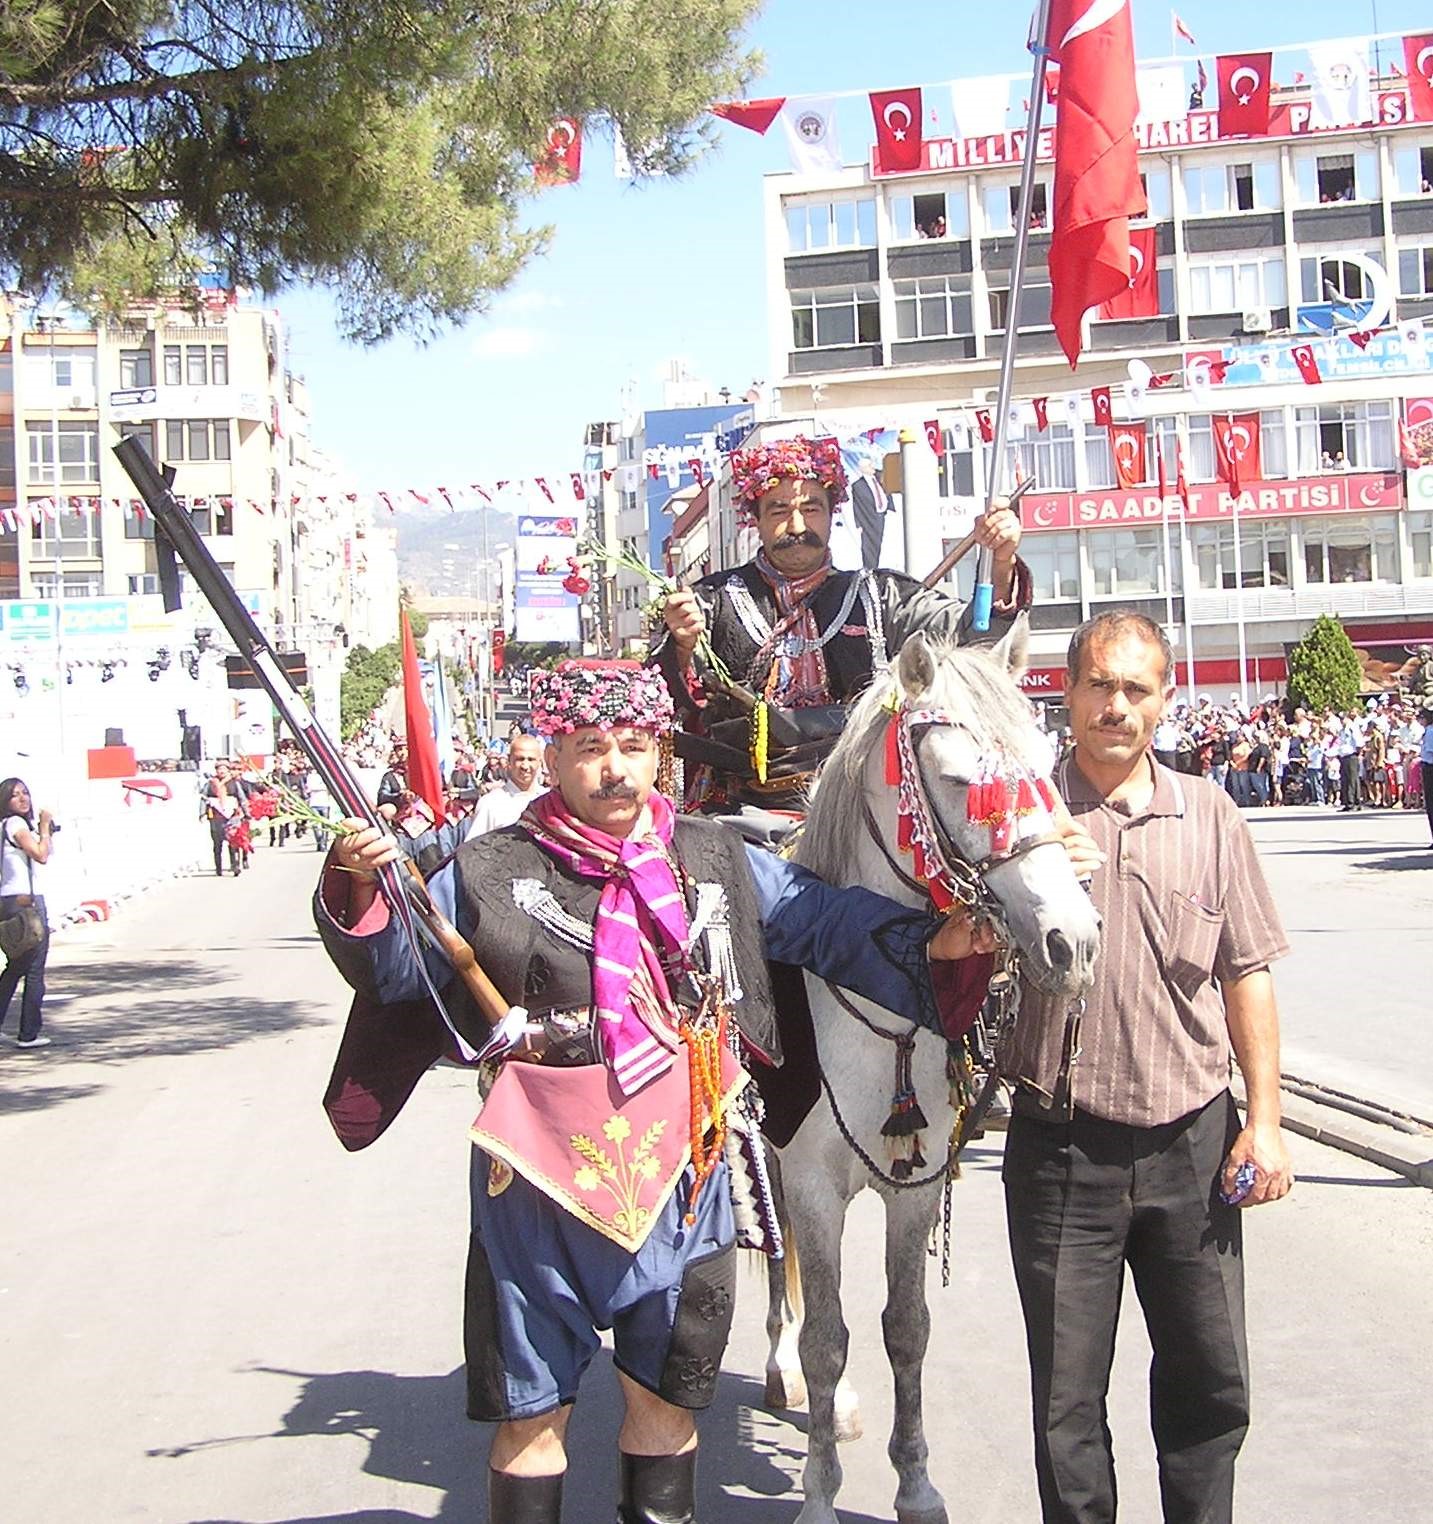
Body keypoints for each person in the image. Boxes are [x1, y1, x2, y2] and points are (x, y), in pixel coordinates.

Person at [315, 660, 993, 1524]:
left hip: (687, 1169)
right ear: (552, 757)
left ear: (658, 756)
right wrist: (358, 884)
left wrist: (938, 944)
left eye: (634, 747)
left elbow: (825, 922)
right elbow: (393, 969)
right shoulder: (483, 868)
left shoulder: (716, 858)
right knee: (532, 1414)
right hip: (536, 1175)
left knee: (668, 1402)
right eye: (590, 747)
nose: (615, 768)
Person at [999, 611, 1293, 1524]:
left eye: (1135, 689)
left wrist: (1266, 1119)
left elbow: (1244, 971)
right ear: (1069, 691)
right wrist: (1030, 881)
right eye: (1098, 685)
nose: (1114, 706)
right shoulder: (1017, 816)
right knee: (1065, 1408)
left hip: (1191, 1147)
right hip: (1060, 1152)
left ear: (1164, 700)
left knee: (1208, 1384)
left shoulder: (1209, 813)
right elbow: (952, 961)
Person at [652, 434, 1030, 813]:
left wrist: (1001, 565)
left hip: (861, 809)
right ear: (758, 520)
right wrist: (682, 646)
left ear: (832, 513)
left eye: (811, 508)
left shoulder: (881, 597)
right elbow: (661, 699)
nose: (797, 524)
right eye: (779, 510)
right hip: (739, 809)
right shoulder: (712, 600)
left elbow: (976, 640)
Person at [0, 777, 54, 1048]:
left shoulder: (3, 826)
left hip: (7, 899)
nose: (22, 799)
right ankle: (28, 1033)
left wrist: (45, 832)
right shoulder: (17, 825)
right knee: (34, 969)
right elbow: (41, 855)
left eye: (25, 793)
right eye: (14, 795)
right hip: (27, 903)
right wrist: (44, 827)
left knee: (16, 966)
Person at [464, 731, 546, 837]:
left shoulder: (549, 802)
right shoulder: (490, 803)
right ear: (509, 761)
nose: (525, 766)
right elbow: (473, 849)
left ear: (540, 762)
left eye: (531, 759)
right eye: (520, 759)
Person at [202, 763, 247, 877]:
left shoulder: (234, 783)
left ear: (228, 770)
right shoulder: (210, 784)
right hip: (216, 818)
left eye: (224, 769)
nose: (221, 771)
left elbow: (242, 798)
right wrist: (202, 813)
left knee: (234, 841)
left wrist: (246, 812)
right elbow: (203, 799)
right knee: (217, 844)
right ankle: (218, 867)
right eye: (219, 769)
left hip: (232, 817)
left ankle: (235, 865)